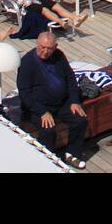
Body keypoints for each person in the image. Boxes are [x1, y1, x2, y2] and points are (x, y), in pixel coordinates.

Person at [16, 31, 89, 168]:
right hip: (38, 106)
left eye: (49, 48)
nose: (45, 51)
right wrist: (42, 111)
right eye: (42, 47)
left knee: (80, 120)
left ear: (55, 47)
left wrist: (74, 100)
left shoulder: (59, 55)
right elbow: (24, 92)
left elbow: (70, 78)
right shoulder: (27, 63)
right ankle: (48, 161)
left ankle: (72, 154)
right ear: (37, 44)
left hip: (61, 103)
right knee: (48, 130)